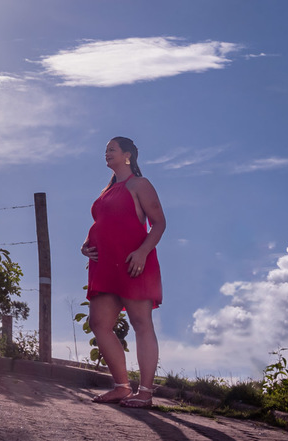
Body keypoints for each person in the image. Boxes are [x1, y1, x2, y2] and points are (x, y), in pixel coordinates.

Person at [80, 136, 166, 408]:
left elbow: (159, 224)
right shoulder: (107, 189)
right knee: (99, 324)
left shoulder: (140, 184)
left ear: (127, 155)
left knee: (141, 323)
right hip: (105, 265)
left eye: (112, 149)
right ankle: (121, 386)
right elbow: (102, 222)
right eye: (105, 150)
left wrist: (142, 252)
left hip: (133, 262)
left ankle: (146, 393)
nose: (106, 153)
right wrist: (86, 244)